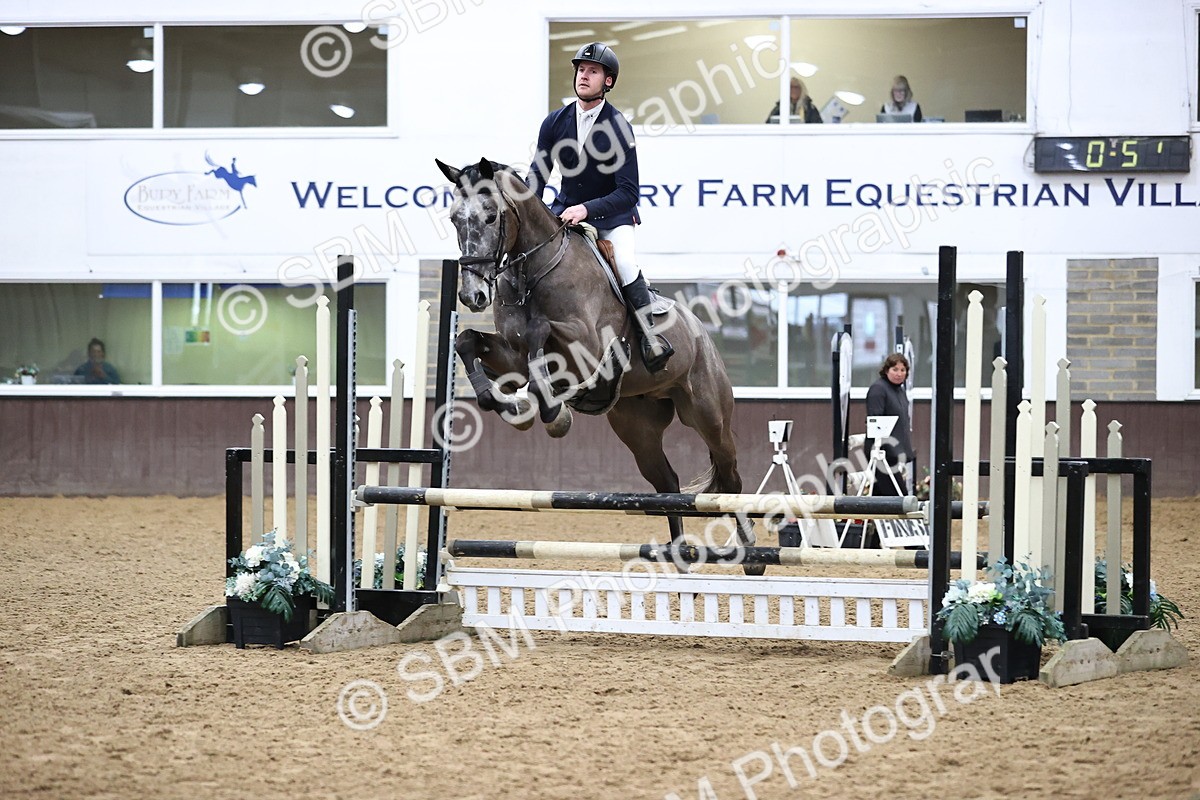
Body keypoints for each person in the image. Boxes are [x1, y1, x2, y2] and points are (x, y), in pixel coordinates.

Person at [525, 41, 673, 373]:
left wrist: (587, 210)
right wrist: (522, 202)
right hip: (564, 211)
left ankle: (650, 336)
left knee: (624, 260)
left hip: (612, 217)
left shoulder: (618, 126)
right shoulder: (554, 122)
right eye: (580, 70)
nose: (584, 76)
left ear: (608, 81)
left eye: (593, 71)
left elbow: (628, 192)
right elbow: (538, 174)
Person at [864, 352, 914, 496]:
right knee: (898, 497)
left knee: (880, 496)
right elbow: (875, 420)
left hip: (893, 452)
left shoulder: (899, 391)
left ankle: (868, 517)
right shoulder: (878, 389)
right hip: (882, 452)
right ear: (886, 371)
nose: (899, 374)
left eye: (902, 370)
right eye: (895, 369)